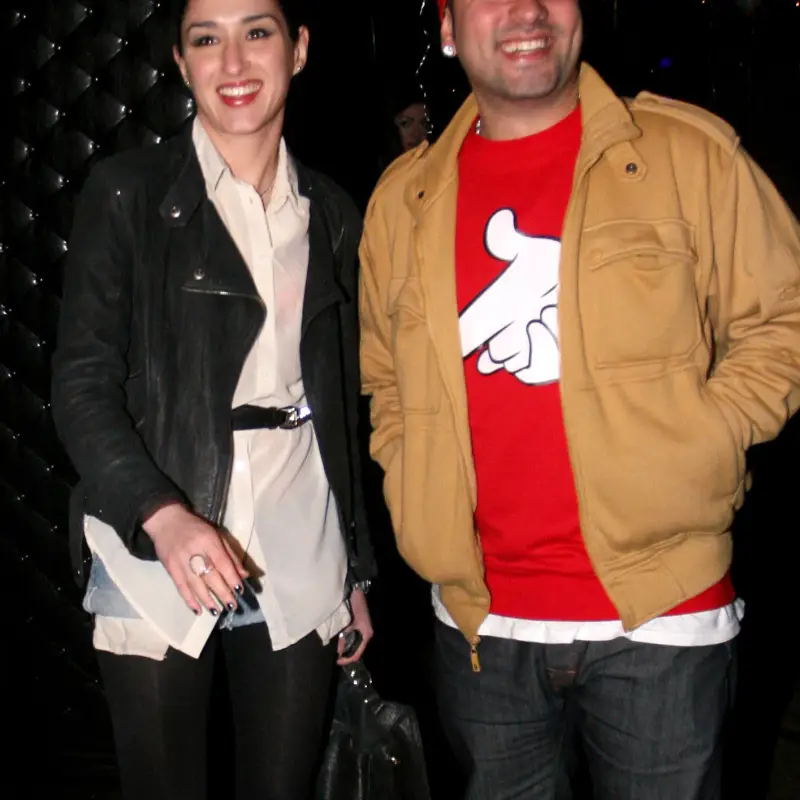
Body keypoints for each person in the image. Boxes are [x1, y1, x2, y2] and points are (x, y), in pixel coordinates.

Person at [358, 0, 800, 798]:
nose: (526, 10)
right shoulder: (403, 199)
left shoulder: (687, 155)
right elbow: (383, 377)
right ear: (448, 28)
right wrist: (409, 474)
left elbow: (784, 318)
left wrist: (712, 431)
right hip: (480, 626)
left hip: (663, 614)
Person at [51, 1, 375, 798]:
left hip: (299, 540)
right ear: (181, 60)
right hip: (155, 542)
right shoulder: (127, 192)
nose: (233, 63)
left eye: (257, 32)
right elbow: (82, 385)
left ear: (299, 48)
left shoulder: (331, 211)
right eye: (207, 39)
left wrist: (355, 570)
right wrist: (159, 513)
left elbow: (340, 402)